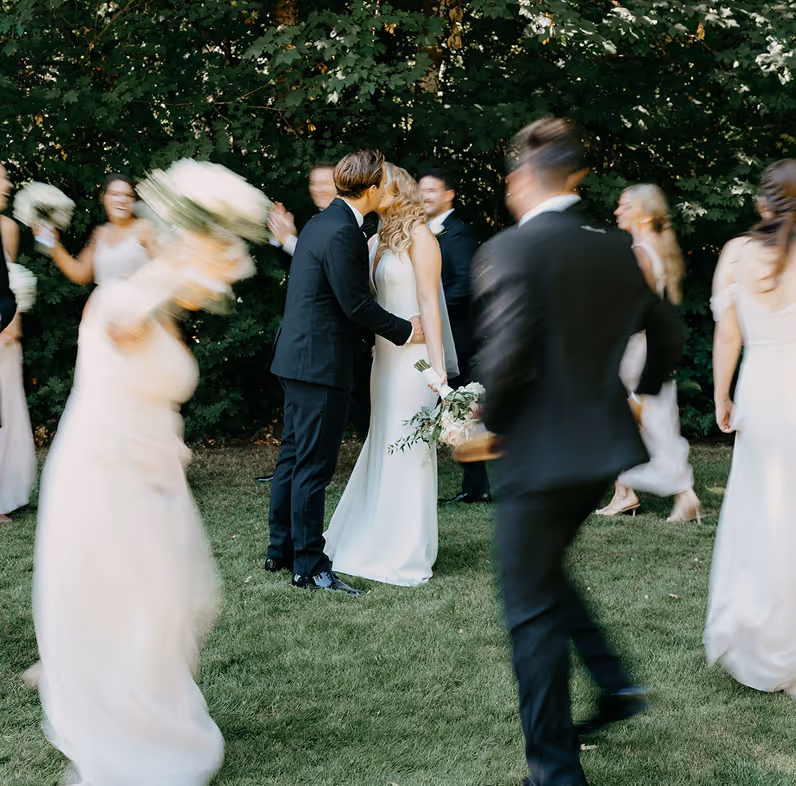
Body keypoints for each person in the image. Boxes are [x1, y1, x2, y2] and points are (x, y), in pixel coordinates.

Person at [33, 166, 264, 784]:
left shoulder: (163, 310)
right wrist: (179, 270)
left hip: (155, 473)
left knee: (162, 606)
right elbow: (120, 326)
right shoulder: (124, 299)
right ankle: (121, 729)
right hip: (108, 477)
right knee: (129, 604)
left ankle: (157, 710)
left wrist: (187, 274)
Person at [474, 118, 685, 786]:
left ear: (519, 182)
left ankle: (556, 774)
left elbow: (506, 359)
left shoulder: (511, 250)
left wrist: (487, 424)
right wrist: (642, 393)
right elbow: (671, 332)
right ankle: (615, 684)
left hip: (535, 456)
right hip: (599, 457)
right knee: (544, 575)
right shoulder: (613, 249)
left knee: (529, 608)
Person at [265, 150, 426, 595]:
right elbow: (354, 304)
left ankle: (281, 549)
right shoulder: (344, 233)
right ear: (372, 189)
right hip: (319, 364)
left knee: (295, 458)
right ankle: (310, 566)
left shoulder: (322, 223)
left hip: (297, 359)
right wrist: (405, 330)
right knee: (313, 467)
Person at [323, 164, 456, 586]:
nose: (375, 191)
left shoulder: (420, 235)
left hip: (415, 363)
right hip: (385, 360)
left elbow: (429, 305)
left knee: (408, 449)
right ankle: (371, 537)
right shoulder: (375, 240)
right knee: (382, 443)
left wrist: (438, 372)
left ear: (397, 190)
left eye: (383, 185)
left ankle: (403, 547)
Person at [706, 158, 796, 695]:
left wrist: (722, 395)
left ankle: (767, 644)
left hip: (762, 391)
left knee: (767, 511)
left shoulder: (738, 253)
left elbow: (728, 337)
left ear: (763, 202)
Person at [595, 184, 701, 523]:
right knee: (648, 421)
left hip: (634, 349)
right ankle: (627, 493)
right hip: (646, 347)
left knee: (635, 419)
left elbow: (634, 310)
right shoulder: (658, 248)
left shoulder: (640, 252)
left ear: (642, 211)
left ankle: (669, 494)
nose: (617, 212)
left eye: (625, 206)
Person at [420, 167, 491, 504]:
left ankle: (476, 486)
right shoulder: (425, 231)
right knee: (455, 409)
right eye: (421, 190)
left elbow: (464, 283)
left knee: (458, 408)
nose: (425, 196)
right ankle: (476, 486)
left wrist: (429, 308)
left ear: (449, 195)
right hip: (438, 335)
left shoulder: (458, 234)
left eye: (432, 190)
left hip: (456, 336)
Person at [45, 173, 155, 286]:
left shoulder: (144, 228)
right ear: (104, 198)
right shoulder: (101, 233)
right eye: (115, 194)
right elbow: (80, 273)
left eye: (128, 195)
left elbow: (167, 269)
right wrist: (53, 244)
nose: (122, 200)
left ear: (134, 201)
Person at [0, 162, 34, 523]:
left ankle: (3, 492)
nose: (8, 183)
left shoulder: (8, 227)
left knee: (5, 407)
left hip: (4, 332)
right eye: (2, 176)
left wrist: (13, 320)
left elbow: (10, 281)